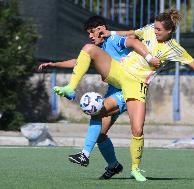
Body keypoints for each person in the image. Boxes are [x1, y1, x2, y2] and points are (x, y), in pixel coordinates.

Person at [54, 9, 194, 182]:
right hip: (120, 70)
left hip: (136, 85)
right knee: (89, 49)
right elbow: (132, 34)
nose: (155, 31)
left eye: (159, 30)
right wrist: (112, 33)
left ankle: (134, 169)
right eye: (154, 28)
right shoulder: (148, 31)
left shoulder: (174, 49)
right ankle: (71, 89)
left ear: (169, 31)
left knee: (137, 129)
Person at [39, 15, 159, 180]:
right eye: (88, 32)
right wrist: (54, 64)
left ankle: (85, 154)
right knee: (100, 134)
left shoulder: (114, 40)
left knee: (97, 113)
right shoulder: (100, 49)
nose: (90, 35)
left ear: (101, 28)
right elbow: (79, 61)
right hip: (113, 92)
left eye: (92, 31)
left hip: (128, 91)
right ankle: (113, 165)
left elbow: (131, 40)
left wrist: (147, 54)